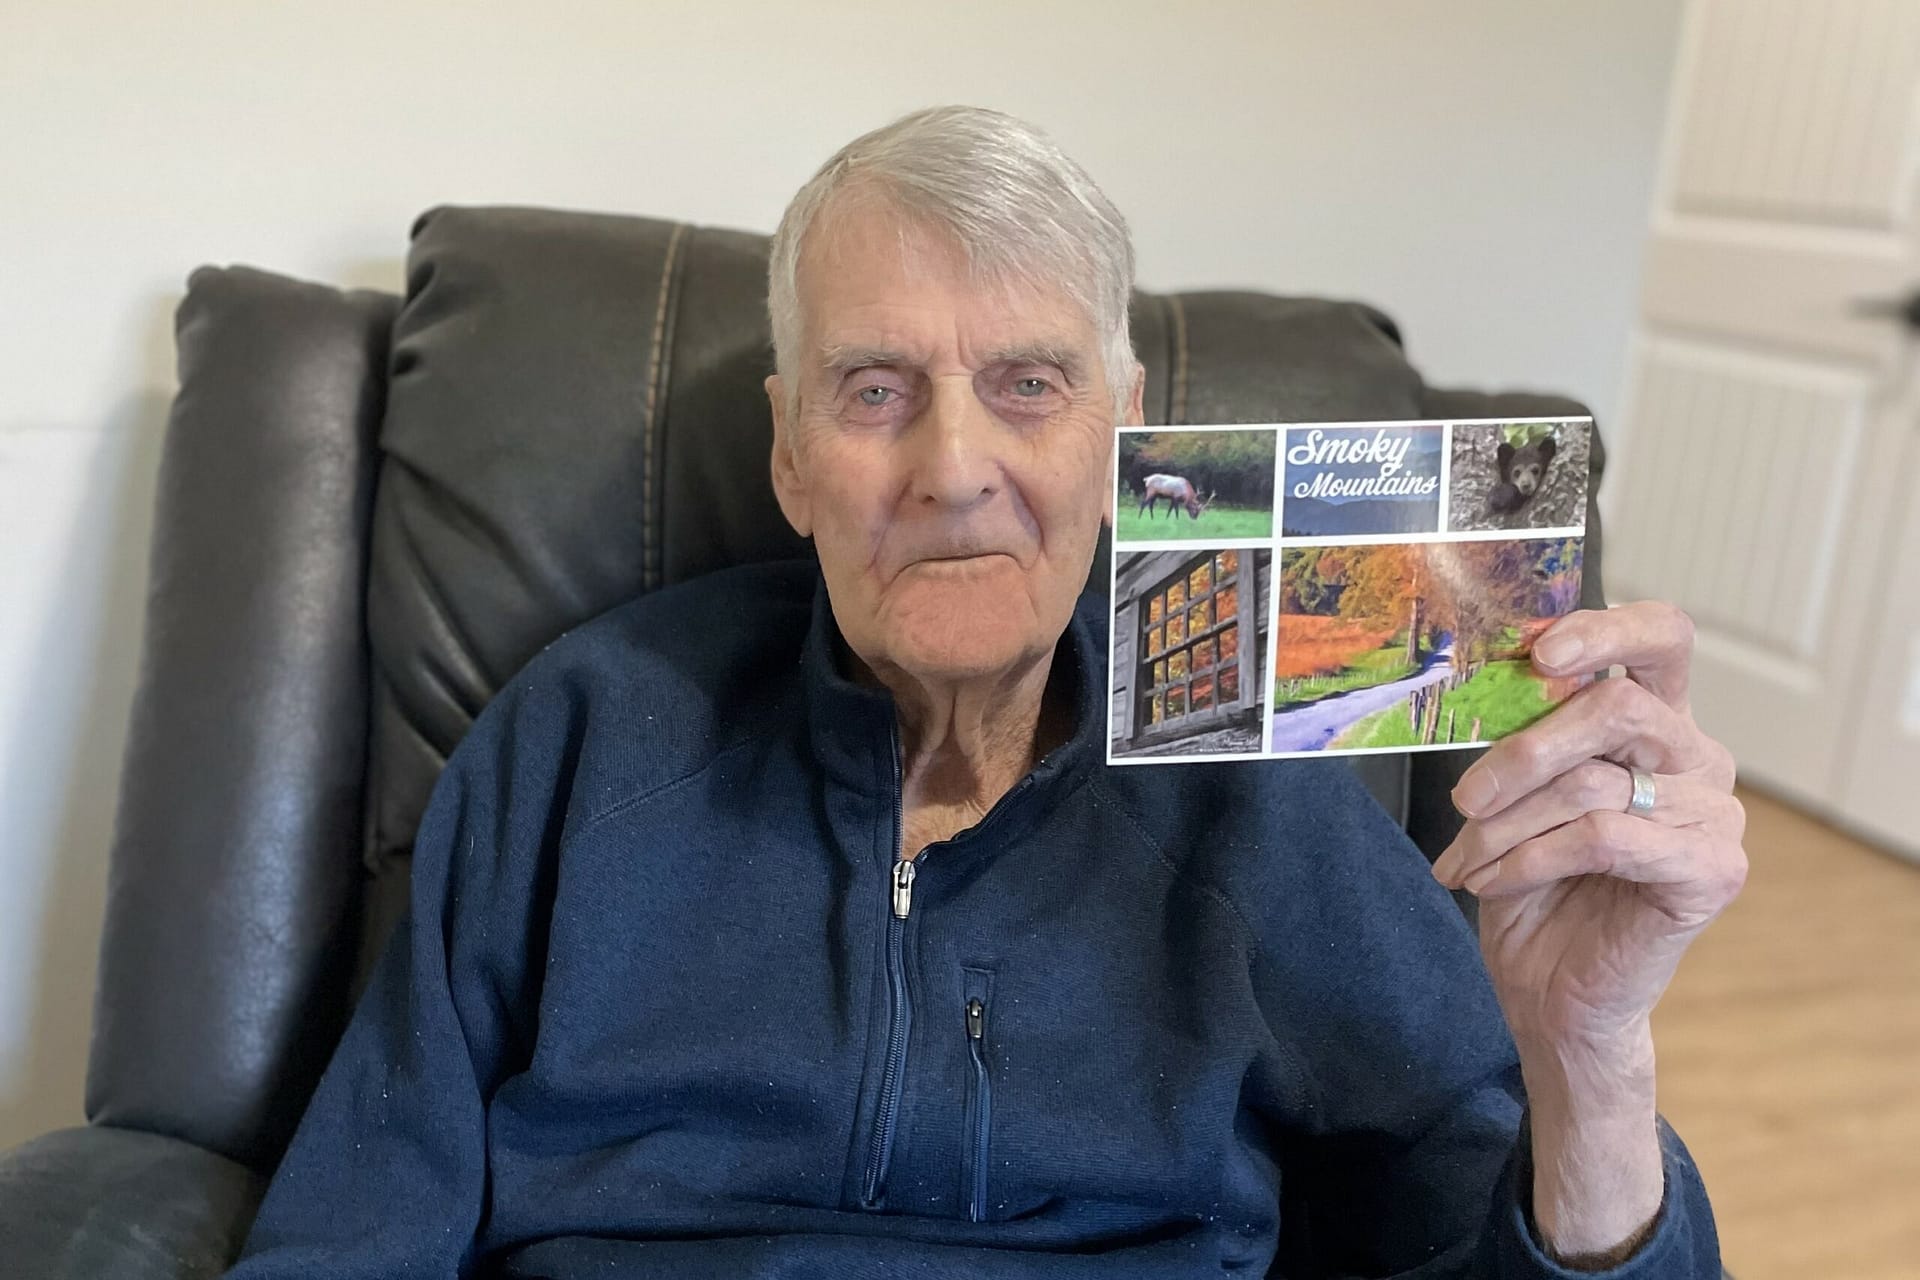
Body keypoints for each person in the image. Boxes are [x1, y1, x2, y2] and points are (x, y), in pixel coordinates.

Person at [226, 106, 1744, 1278]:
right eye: (875, 390)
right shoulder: (581, 737)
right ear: (787, 453)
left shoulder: (1264, 794)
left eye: (1028, 384)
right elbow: (356, 1222)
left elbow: (1498, 1236)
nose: (953, 470)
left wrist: (1593, 1058)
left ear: (1124, 435)